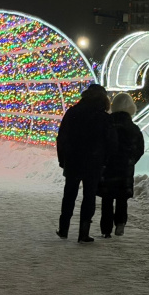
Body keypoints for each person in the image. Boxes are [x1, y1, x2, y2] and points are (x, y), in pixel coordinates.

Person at [56, 84, 117, 243]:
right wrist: (105, 161)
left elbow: (62, 138)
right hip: (94, 162)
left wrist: (62, 159)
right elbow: (111, 142)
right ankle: (84, 233)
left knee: (69, 194)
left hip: (73, 159)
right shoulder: (103, 117)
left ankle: (63, 228)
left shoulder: (73, 112)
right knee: (89, 196)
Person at [98, 93, 145, 238]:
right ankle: (120, 223)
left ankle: (106, 229)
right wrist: (130, 161)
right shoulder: (133, 128)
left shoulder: (107, 124)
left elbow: (100, 145)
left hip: (108, 167)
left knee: (107, 198)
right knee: (122, 198)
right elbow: (140, 149)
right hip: (125, 168)